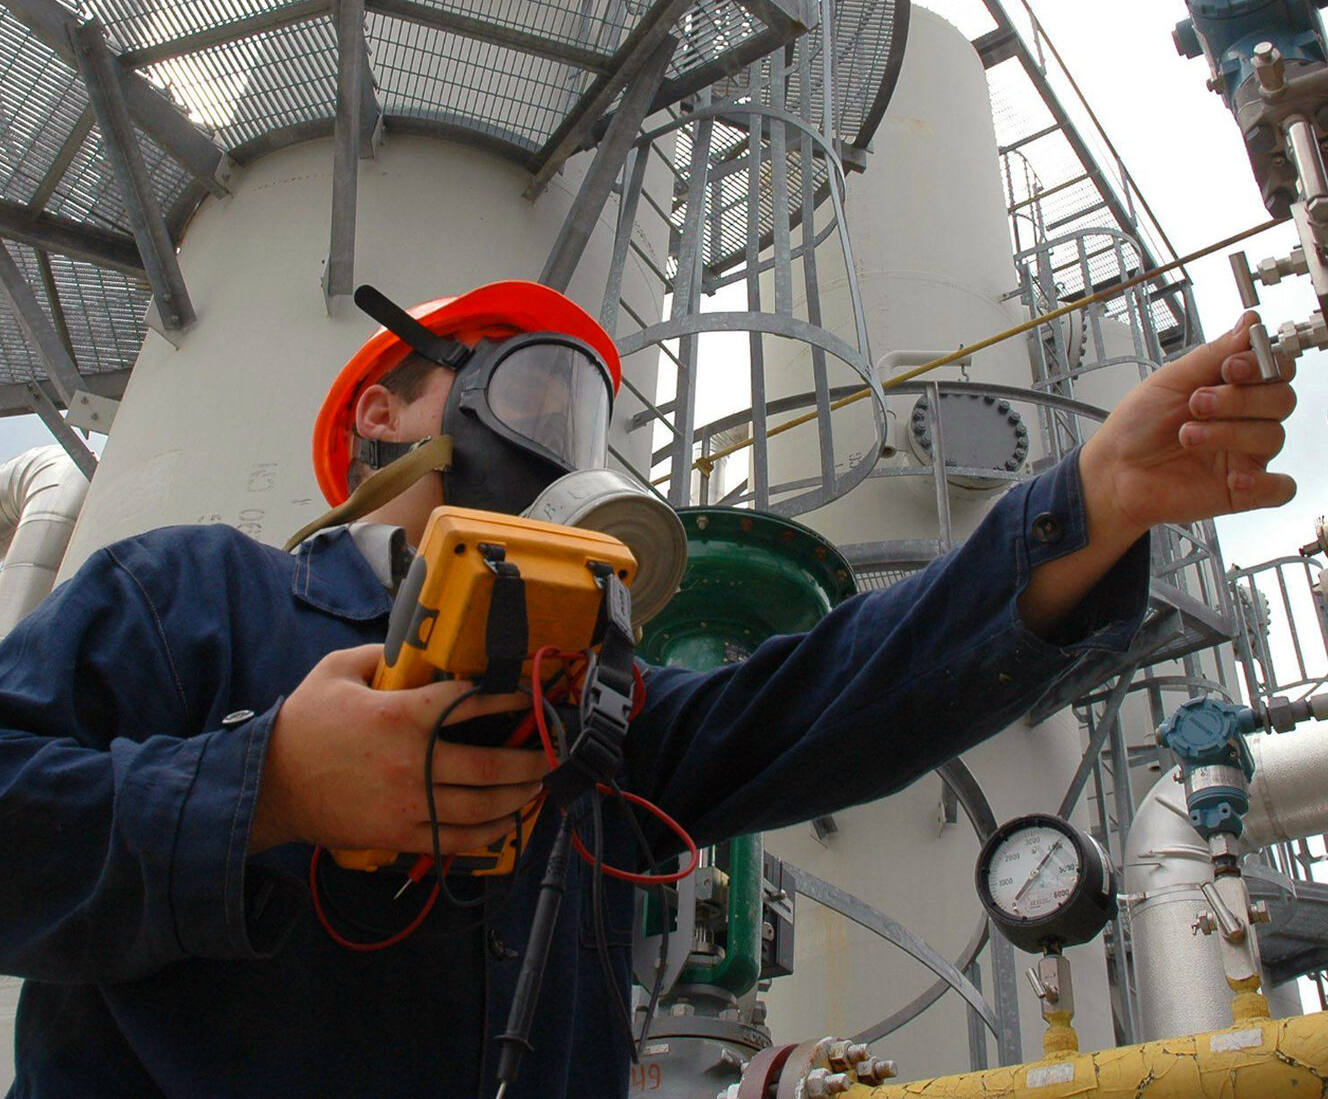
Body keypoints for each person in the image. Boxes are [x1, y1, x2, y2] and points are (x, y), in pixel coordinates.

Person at [0, 280, 1297, 1099]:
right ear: (387, 409)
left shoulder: (597, 703)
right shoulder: (190, 602)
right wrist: (269, 784)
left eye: (582, 409)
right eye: (519, 379)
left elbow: (825, 700)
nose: (553, 428)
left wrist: (1086, 512)